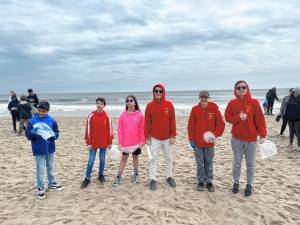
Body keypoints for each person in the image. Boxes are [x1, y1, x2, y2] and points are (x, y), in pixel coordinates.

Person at [225, 81, 267, 197]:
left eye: (244, 87)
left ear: (247, 88)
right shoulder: (232, 103)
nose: (241, 89)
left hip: (251, 139)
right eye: (239, 88)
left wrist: (263, 134)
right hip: (237, 138)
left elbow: (260, 120)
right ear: (236, 90)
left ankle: (249, 184)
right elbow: (227, 118)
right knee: (237, 162)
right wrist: (238, 117)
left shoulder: (254, 102)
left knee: (250, 164)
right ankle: (236, 183)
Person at [188, 90, 225, 192]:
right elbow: (190, 126)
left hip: (209, 143)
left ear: (208, 98)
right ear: (199, 99)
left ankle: (209, 182)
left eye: (205, 97)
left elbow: (221, 124)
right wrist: (191, 139)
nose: (204, 99)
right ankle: (200, 182)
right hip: (198, 143)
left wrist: (215, 135)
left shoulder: (214, 109)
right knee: (200, 164)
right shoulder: (195, 109)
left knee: (209, 164)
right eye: (202, 97)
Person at [25, 101, 63, 200]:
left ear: (47, 111)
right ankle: (40, 187)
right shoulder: (32, 121)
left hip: (50, 147)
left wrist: (55, 136)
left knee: (51, 167)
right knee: (40, 169)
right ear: (37, 109)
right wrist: (32, 132)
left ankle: (52, 183)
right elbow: (28, 136)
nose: (41, 113)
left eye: (44, 111)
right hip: (38, 148)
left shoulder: (52, 120)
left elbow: (56, 133)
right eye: (40, 110)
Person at [145, 84, 177, 191]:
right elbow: (147, 123)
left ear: (163, 92)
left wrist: (173, 135)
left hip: (167, 137)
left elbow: (172, 120)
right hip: (154, 137)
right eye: (156, 91)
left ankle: (168, 176)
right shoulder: (149, 106)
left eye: (160, 91)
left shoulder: (169, 104)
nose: (158, 93)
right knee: (153, 159)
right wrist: (147, 137)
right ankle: (153, 179)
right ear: (153, 93)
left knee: (168, 158)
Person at [81, 97, 114, 188]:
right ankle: (87, 178)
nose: (99, 105)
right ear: (96, 104)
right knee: (91, 161)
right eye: (98, 103)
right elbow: (87, 130)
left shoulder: (107, 117)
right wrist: (88, 143)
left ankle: (100, 175)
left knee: (102, 160)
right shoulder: (91, 116)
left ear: (104, 105)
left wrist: (109, 142)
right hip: (93, 143)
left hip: (103, 142)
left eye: (101, 104)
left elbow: (110, 130)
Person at [113, 95, 145, 186]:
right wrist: (120, 143)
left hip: (136, 143)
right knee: (124, 159)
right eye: (127, 101)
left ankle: (136, 174)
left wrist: (141, 142)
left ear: (135, 102)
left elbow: (143, 129)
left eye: (131, 100)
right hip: (126, 143)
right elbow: (120, 130)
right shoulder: (123, 115)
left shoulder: (139, 115)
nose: (129, 102)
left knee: (135, 158)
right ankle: (118, 176)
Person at [285, 87, 300, 151]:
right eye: (294, 92)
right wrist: (285, 117)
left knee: (298, 132)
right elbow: (287, 109)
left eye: (297, 93)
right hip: (290, 118)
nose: (295, 94)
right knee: (291, 131)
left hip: (298, 119)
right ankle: (290, 143)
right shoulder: (290, 99)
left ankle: (298, 145)